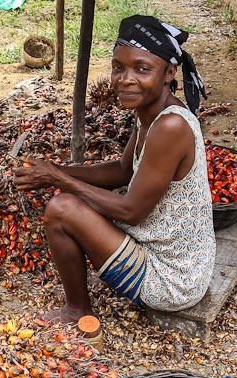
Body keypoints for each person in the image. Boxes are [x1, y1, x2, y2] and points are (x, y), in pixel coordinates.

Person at [13, 14, 216, 324]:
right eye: (118, 68)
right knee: (68, 201)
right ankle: (79, 304)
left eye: (142, 69)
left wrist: (58, 179)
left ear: (168, 73)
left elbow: (131, 211)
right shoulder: (150, 111)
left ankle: (78, 309)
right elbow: (122, 171)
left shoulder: (171, 125)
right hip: (164, 252)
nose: (125, 79)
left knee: (61, 208)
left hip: (173, 279)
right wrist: (55, 170)